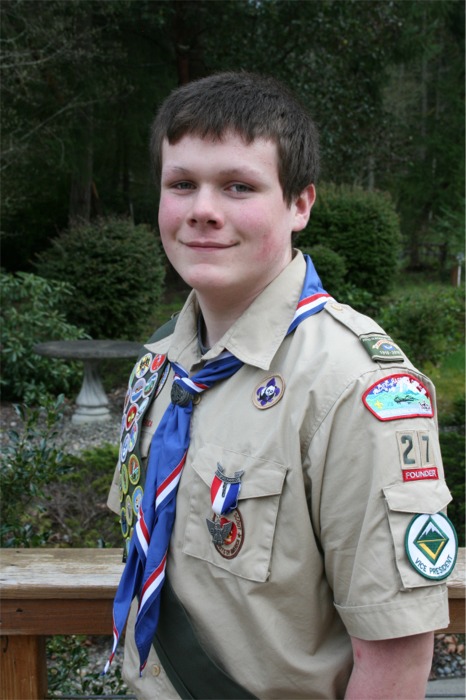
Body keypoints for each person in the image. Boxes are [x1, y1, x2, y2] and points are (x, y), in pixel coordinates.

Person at [106, 72, 457, 700]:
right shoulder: (160, 363)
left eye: (239, 186)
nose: (202, 209)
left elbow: (397, 661)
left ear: (300, 204)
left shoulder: (353, 386)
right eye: (181, 183)